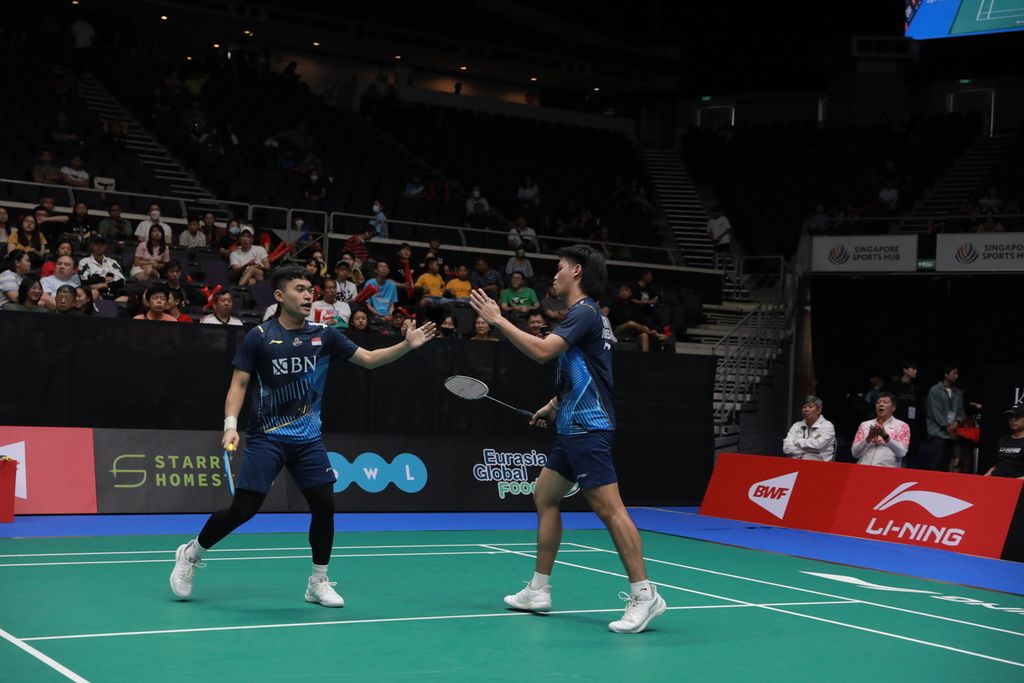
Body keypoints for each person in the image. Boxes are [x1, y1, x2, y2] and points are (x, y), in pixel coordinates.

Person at [169, 266, 437, 605]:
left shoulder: (324, 335)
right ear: (280, 296)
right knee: (244, 509)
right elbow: (239, 383)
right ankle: (192, 553)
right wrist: (230, 425)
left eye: (310, 288)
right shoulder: (260, 336)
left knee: (324, 505)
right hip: (267, 435)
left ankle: (318, 581)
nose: (308, 294)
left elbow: (368, 360)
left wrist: (407, 345)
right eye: (300, 288)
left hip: (308, 438)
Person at [468, 245, 667, 634]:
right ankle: (539, 590)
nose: (553, 275)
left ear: (576, 271)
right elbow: (587, 369)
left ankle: (646, 595)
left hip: (589, 428)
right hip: (571, 425)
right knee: (545, 496)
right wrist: (554, 404)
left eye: (559, 269)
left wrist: (498, 320)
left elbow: (543, 352)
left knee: (610, 510)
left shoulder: (586, 311)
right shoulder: (589, 316)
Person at [926, 364, 966, 472]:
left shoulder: (958, 393)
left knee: (947, 463)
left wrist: (957, 422)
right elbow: (935, 411)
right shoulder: (935, 390)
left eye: (957, 373)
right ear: (946, 375)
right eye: (954, 373)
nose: (956, 376)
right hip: (938, 432)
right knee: (936, 462)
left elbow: (961, 411)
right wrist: (947, 425)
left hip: (952, 434)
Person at [851, 393, 910, 468]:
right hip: (863, 468)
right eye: (878, 402)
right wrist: (868, 438)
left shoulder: (902, 426)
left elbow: (901, 453)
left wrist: (886, 437)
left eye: (885, 402)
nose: (881, 404)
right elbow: (855, 454)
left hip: (887, 471)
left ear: (893, 408)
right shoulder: (864, 425)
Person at [782, 396, 836, 461]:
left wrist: (797, 441)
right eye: (804, 407)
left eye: (810, 407)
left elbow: (818, 446)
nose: (806, 409)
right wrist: (812, 451)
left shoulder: (827, 426)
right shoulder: (796, 425)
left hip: (821, 467)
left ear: (819, 410)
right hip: (795, 465)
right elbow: (786, 449)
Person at [984, 405, 1024, 479]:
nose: (1013, 420)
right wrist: (988, 474)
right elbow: (999, 463)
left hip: (1016, 484)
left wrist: (1017, 482)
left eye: (1017, 416)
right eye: (1010, 417)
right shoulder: (1002, 439)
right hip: (996, 481)